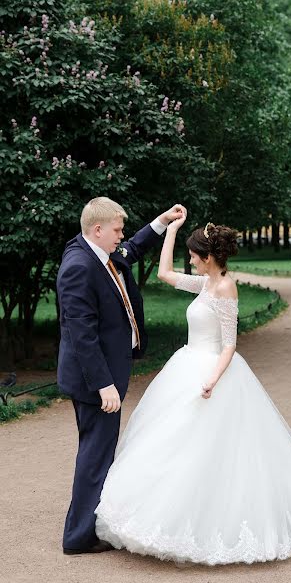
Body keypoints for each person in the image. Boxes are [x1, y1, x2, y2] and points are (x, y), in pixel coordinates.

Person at [94, 215, 291, 565]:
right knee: (172, 443)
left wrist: (211, 379)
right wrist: (173, 230)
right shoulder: (205, 283)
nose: (191, 259)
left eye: (194, 255)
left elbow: (229, 345)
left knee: (215, 453)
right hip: (186, 366)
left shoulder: (224, 288)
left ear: (208, 257)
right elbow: (165, 274)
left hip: (212, 371)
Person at [57, 196, 186, 555]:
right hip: (94, 381)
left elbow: (131, 250)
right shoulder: (80, 266)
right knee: (95, 456)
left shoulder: (101, 253)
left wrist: (159, 223)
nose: (122, 236)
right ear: (97, 230)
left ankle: (87, 525)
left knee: (97, 453)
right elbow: (80, 334)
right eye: (117, 230)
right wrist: (103, 385)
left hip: (104, 375)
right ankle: (79, 537)